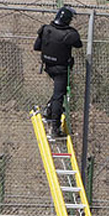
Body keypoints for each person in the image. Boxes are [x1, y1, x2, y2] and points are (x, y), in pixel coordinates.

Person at [33, 7, 82, 138]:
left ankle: (50, 109)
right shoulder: (69, 34)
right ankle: (55, 126)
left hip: (48, 66)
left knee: (59, 94)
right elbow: (78, 44)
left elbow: (36, 47)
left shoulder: (45, 29)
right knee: (59, 96)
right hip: (61, 69)